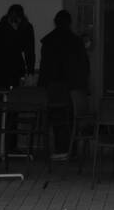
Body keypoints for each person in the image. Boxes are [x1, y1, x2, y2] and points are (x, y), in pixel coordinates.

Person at [38, 10, 90, 152]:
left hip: (53, 87)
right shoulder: (76, 41)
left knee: (56, 120)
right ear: (70, 23)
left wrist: (42, 88)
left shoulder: (48, 41)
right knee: (70, 120)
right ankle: (70, 150)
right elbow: (84, 66)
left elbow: (44, 68)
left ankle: (59, 150)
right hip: (72, 88)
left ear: (55, 22)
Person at [0, 4, 36, 89]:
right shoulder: (0, 28)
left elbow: (30, 52)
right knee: (5, 95)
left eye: (16, 20)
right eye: (13, 20)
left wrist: (30, 73)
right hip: (2, 69)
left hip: (13, 68)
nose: (14, 24)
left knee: (13, 96)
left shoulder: (26, 28)